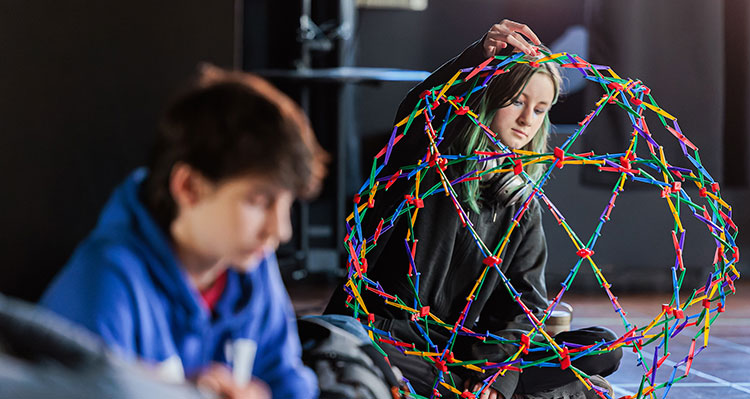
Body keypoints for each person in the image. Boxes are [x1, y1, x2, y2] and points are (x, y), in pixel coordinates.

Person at [323, 20, 621, 399]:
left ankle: (484, 390)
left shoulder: (520, 203)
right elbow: (422, 109)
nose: (528, 119)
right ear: (489, 97)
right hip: (384, 336)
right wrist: (477, 57)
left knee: (601, 345)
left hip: (457, 351)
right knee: (376, 360)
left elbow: (522, 306)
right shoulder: (427, 166)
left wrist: (495, 372)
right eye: (517, 101)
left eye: (541, 109)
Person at [40, 64, 328, 399]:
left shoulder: (251, 268)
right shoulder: (105, 284)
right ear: (188, 187)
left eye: (287, 204)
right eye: (260, 201)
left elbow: (289, 385)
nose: (280, 230)